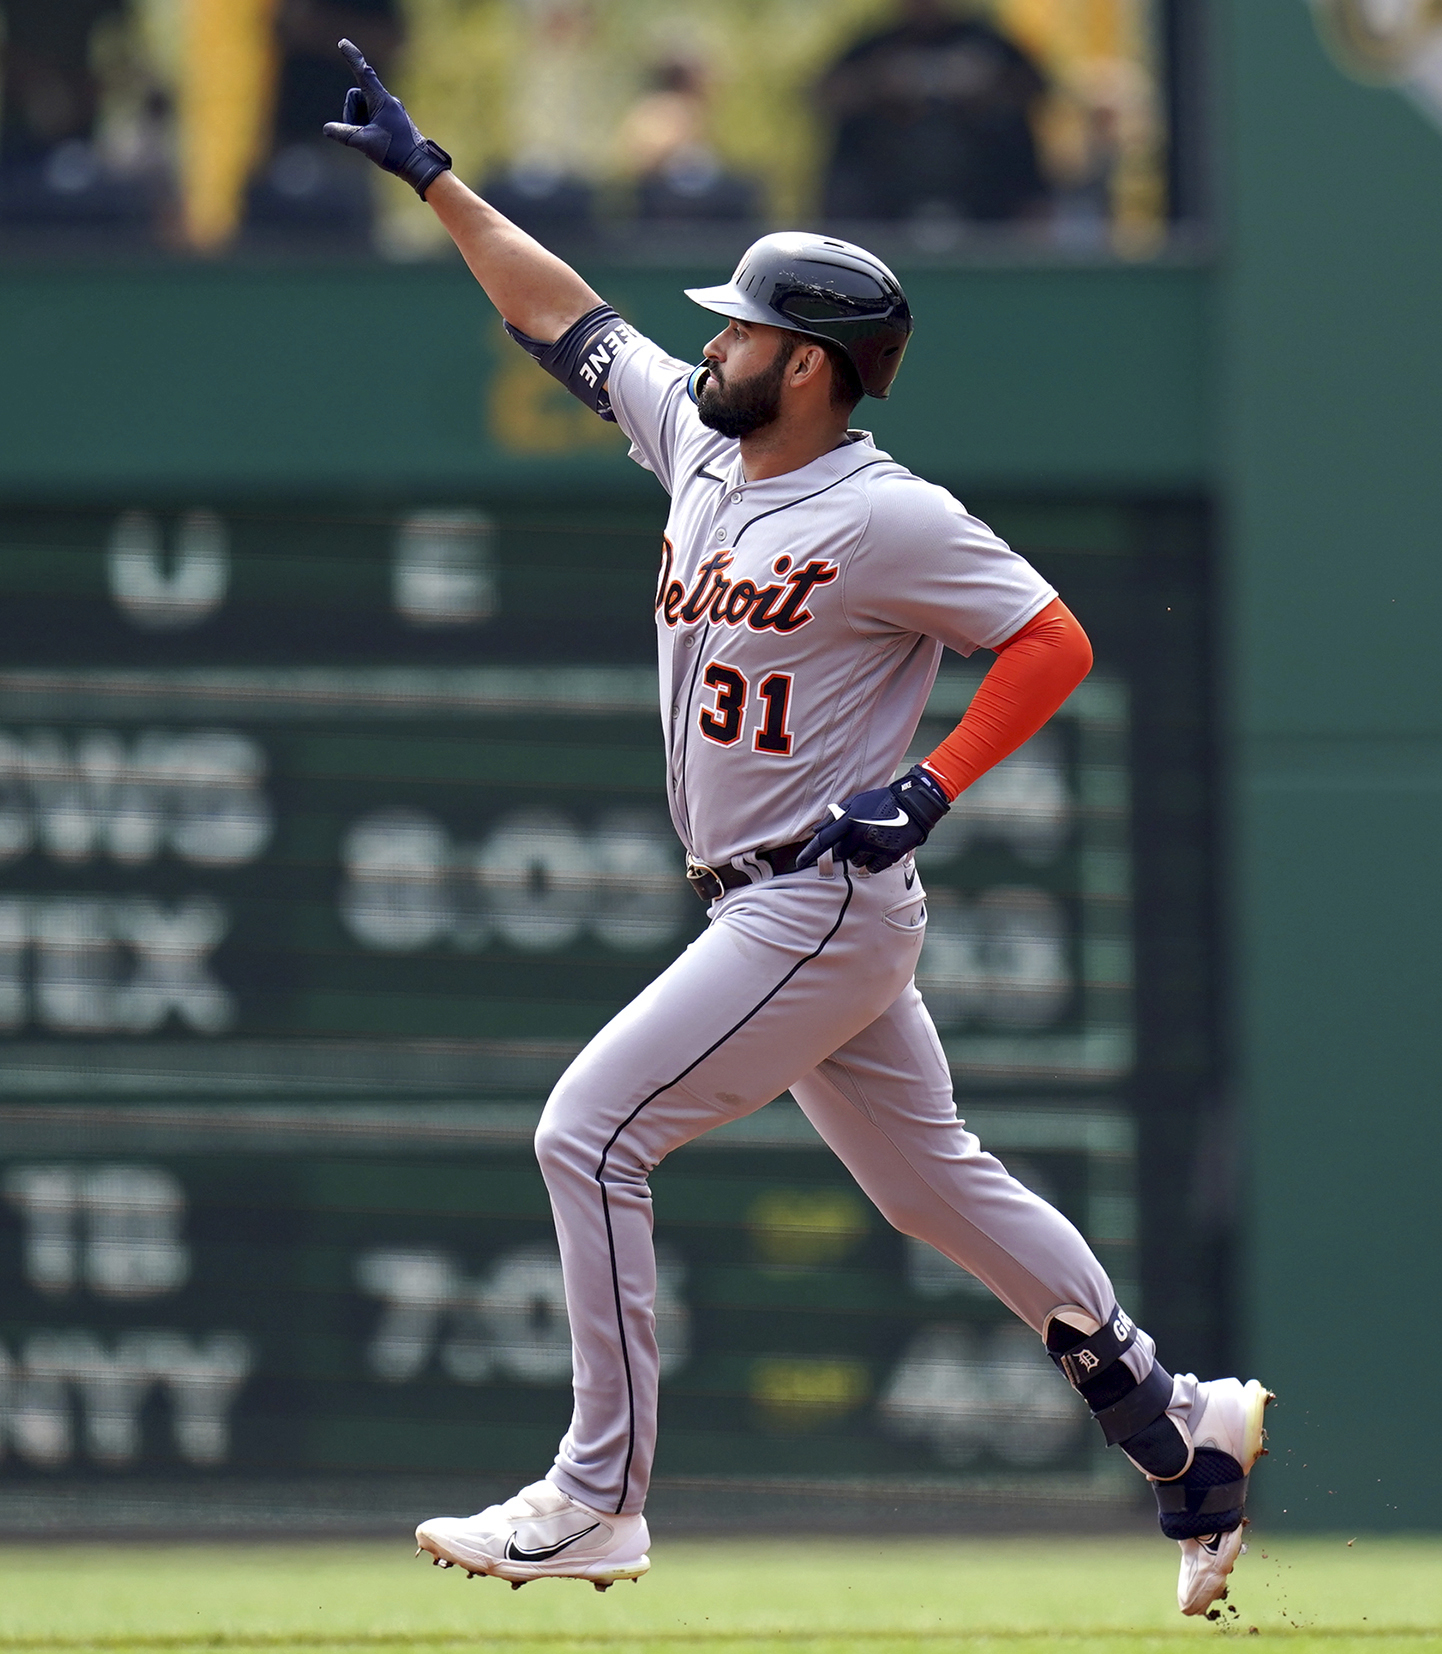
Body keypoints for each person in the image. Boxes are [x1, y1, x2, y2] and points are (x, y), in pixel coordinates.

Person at [322, 41, 1270, 1619]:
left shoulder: (886, 510)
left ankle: (598, 1493)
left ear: (813, 362)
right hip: (757, 904)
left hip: (813, 900)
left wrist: (937, 780)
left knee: (589, 1131)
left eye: (748, 324)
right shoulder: (701, 445)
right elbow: (564, 314)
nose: (719, 340)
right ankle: (1177, 1426)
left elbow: (1050, 640)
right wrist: (436, 182)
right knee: (931, 1186)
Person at [815, 0, 1049, 227]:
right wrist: (879, 83)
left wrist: (985, 86)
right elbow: (823, 96)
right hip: (886, 196)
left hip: (986, 197)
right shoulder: (876, 47)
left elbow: (1039, 89)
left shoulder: (987, 44)